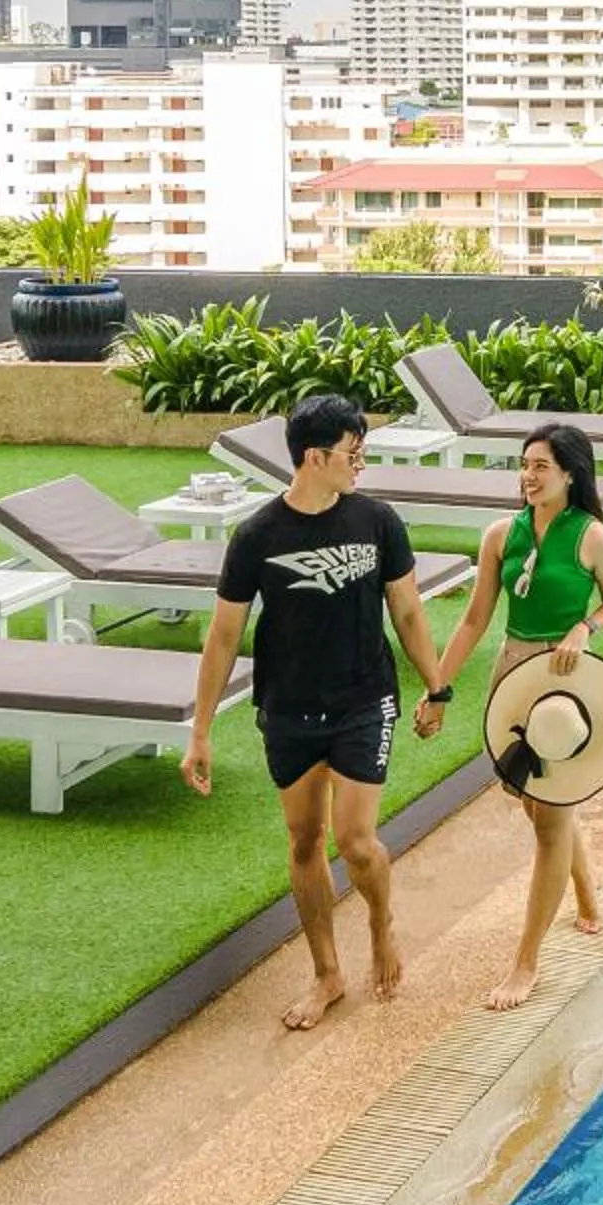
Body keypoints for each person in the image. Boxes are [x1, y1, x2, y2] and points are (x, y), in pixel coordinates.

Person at [183, 392, 451, 1032]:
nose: (361, 465)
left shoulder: (377, 521)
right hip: (289, 708)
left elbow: (408, 611)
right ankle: (327, 972)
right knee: (305, 840)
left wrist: (435, 686)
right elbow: (223, 636)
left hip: (364, 699)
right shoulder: (257, 537)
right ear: (315, 457)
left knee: (356, 843)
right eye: (352, 454)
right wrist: (200, 729)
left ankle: (381, 922)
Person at [421, 421, 603, 1010]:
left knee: (550, 814)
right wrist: (438, 688)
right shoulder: (499, 535)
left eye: (541, 466)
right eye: (524, 464)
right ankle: (587, 896)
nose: (528, 475)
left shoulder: (593, 537)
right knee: (539, 804)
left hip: (566, 683)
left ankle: (527, 962)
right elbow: (473, 621)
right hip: (512, 675)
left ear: (570, 474)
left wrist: (584, 627)